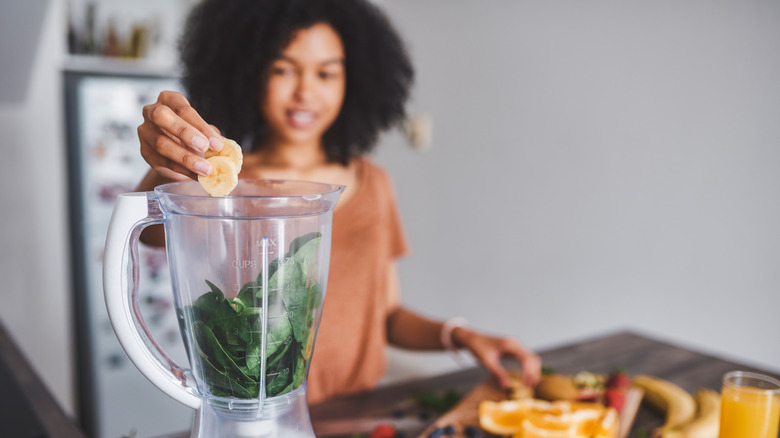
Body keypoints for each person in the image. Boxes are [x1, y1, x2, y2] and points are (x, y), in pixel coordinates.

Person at [136, 0, 541, 405]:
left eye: (326, 72)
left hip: (354, 414)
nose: (306, 91)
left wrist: (462, 336)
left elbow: (386, 317)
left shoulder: (374, 185)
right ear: (248, 71)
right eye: (282, 69)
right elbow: (150, 232)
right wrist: (172, 163)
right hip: (246, 416)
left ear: (355, 79)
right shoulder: (218, 184)